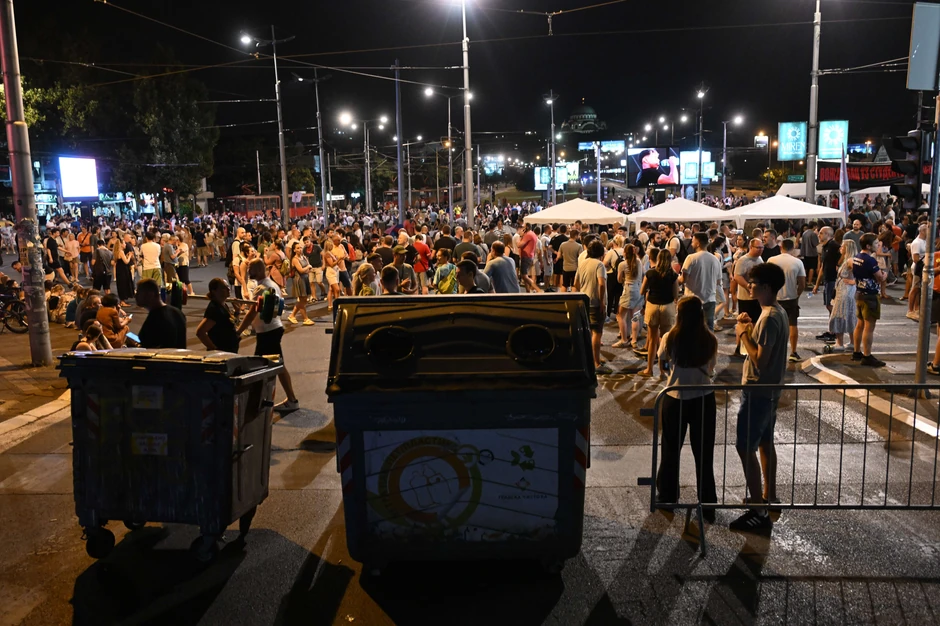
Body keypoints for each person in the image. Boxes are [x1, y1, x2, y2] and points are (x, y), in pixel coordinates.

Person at [731, 262, 789, 533]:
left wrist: (743, 334)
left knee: (745, 447)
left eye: (753, 282)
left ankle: (757, 508)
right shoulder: (777, 312)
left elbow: (760, 359)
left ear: (766, 286)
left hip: (758, 389)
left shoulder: (769, 318)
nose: (749, 285)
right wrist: (750, 327)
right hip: (771, 390)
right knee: (765, 442)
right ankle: (769, 495)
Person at [656, 296, 718, 521]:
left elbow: (661, 359)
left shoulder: (670, 337)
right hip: (704, 398)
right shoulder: (710, 339)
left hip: (675, 396)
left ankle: (667, 497)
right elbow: (712, 367)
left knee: (671, 450)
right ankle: (708, 503)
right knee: (704, 453)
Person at [236, 259, 299, 411]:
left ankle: (258, 402)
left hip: (268, 331)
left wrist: (238, 331)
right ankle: (287, 399)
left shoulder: (262, 288)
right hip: (271, 329)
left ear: (257, 270)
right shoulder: (270, 285)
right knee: (276, 365)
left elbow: (252, 312)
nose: (248, 271)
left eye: (250, 268)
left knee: (261, 367)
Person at [639, 248, 679, 378]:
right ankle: (663, 370)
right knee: (665, 339)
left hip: (652, 305)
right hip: (667, 306)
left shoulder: (650, 273)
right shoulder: (673, 275)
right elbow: (676, 294)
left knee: (652, 339)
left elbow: (642, 290)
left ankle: (649, 369)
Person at [768, 239, 806, 363]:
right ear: (793, 248)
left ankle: (772, 351)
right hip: (791, 297)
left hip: (775, 297)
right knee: (793, 324)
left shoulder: (771, 260)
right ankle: (793, 352)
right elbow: (802, 283)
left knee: (773, 325)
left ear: (781, 247)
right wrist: (797, 294)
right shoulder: (797, 262)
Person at [574, 240, 609, 375]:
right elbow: (601, 284)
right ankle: (596, 362)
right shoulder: (599, 265)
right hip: (595, 302)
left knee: (587, 331)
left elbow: (576, 283)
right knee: (597, 332)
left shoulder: (582, 263)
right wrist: (602, 302)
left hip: (583, 301)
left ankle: (589, 359)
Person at [852, 233, 887, 367]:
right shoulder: (870, 260)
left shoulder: (856, 257)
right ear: (868, 245)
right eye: (876, 243)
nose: (878, 245)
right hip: (870, 295)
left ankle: (856, 352)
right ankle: (867, 356)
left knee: (860, 324)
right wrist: (885, 274)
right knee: (869, 326)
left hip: (859, 293)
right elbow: (880, 277)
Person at [679, 233, 722, 331]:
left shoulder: (691, 258)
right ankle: (709, 346)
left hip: (692, 299)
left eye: (693, 240)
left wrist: (675, 278)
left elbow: (683, 280)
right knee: (708, 328)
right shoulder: (715, 259)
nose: (691, 243)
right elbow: (718, 281)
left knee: (692, 327)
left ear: (698, 243)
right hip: (710, 298)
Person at [732, 238, 764, 357]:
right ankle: (739, 346)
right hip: (746, 298)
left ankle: (751, 345)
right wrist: (748, 287)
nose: (761, 250)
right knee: (744, 322)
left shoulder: (759, 259)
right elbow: (737, 276)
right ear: (751, 247)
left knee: (756, 323)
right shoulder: (743, 260)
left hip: (756, 297)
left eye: (762, 248)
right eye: (758, 248)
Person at [135, 278, 187, 349]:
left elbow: (146, 346)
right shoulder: (177, 312)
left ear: (150, 294)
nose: (136, 296)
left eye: (138, 293)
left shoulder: (154, 319)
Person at [826, 239, 858, 352]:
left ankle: (839, 343)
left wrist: (854, 282)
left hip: (845, 292)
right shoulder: (846, 259)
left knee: (840, 315)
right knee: (848, 315)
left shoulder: (850, 260)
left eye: (843, 246)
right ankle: (852, 342)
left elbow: (860, 273)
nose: (840, 248)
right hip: (843, 290)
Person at [196, 278, 240, 353]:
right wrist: (214, 349)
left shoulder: (223, 304)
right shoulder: (214, 309)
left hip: (229, 350)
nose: (228, 288)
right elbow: (200, 332)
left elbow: (231, 323)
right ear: (214, 291)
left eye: (228, 286)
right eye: (224, 287)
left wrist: (237, 312)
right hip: (222, 351)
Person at [613, 244, 642, 350]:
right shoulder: (638, 262)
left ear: (625, 253)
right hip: (638, 289)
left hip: (628, 289)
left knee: (620, 315)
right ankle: (634, 339)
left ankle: (624, 339)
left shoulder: (622, 264)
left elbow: (619, 279)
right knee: (635, 316)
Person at [288, 241, 314, 325]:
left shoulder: (304, 257)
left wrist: (308, 268)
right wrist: (308, 267)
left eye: (300, 247)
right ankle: (305, 319)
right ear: (294, 250)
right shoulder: (295, 259)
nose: (300, 249)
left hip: (305, 278)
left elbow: (308, 268)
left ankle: (292, 315)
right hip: (299, 280)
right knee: (302, 300)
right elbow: (301, 270)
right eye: (298, 248)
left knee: (304, 299)